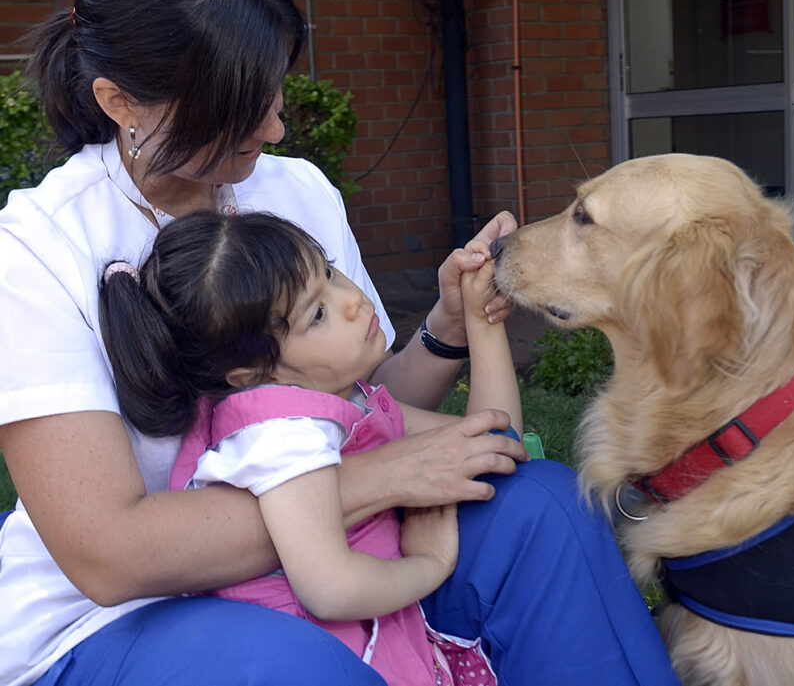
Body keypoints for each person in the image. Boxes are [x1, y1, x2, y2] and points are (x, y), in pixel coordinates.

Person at [0, 0, 682, 686]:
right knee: (283, 668)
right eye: (238, 105)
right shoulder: (39, 248)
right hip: (120, 617)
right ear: (122, 104)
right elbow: (108, 554)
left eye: (274, 89)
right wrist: (375, 482)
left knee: (544, 508)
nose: (274, 127)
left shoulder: (293, 191)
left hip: (345, 544)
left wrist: (447, 329)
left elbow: (352, 407)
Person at [98, 210, 520, 686]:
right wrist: (431, 563)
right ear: (252, 374)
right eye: (316, 314)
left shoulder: (341, 403)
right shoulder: (282, 435)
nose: (351, 302)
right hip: (328, 657)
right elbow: (331, 589)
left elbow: (495, 444)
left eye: (328, 272)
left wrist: (481, 320)